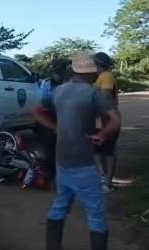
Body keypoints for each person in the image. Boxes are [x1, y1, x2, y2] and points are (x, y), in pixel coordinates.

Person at [33, 52, 121, 250]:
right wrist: (102, 135)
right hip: (84, 163)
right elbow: (115, 120)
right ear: (91, 73)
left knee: (60, 206)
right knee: (96, 214)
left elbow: (36, 111)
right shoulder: (95, 94)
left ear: (73, 71)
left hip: (62, 161)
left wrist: (54, 127)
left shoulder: (58, 91)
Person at [34, 59, 68, 182]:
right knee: (49, 147)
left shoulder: (68, 84)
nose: (57, 73)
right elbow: (41, 102)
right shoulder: (46, 83)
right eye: (55, 70)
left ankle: (59, 174)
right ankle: (50, 174)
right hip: (49, 119)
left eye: (60, 70)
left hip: (63, 118)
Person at [94, 52, 120, 193]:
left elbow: (105, 96)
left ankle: (107, 182)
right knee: (97, 147)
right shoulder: (99, 77)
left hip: (106, 117)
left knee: (108, 149)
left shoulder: (107, 76)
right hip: (99, 117)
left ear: (98, 62)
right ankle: (104, 177)